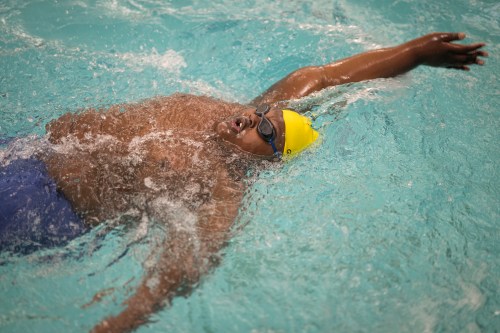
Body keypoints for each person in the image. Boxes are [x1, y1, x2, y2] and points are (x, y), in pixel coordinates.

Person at [0, 32, 487, 332]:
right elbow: (323, 78)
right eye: (261, 113)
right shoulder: (240, 113)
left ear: (269, 162)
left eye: (265, 130)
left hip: (41, 209)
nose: (250, 119)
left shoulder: (222, 191)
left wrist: (121, 322)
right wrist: (415, 52)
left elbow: (186, 265)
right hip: (25, 148)